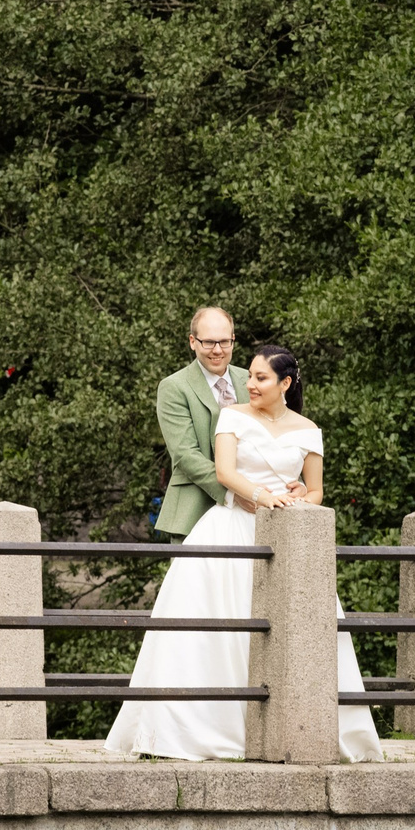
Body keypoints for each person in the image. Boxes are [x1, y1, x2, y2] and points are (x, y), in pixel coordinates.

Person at [107, 343, 383, 762]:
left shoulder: (308, 429)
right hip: (230, 527)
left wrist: (300, 494)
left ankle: (301, 727)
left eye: (260, 378)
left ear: (285, 383)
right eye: (250, 376)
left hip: (284, 538)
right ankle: (195, 731)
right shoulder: (232, 416)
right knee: (211, 629)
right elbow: (224, 472)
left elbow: (317, 490)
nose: (249, 384)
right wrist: (258, 496)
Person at [152, 307, 250, 540]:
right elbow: (185, 455)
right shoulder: (174, 387)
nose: (217, 350)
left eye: (225, 342)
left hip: (254, 510)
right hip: (195, 510)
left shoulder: (250, 379)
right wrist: (237, 495)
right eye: (208, 342)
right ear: (192, 342)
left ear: (233, 340)